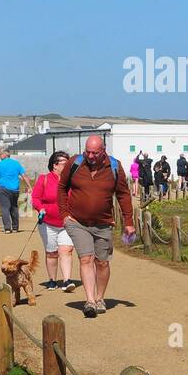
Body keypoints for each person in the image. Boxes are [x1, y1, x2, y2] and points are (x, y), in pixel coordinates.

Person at [57, 135, 134, 318]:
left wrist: (129, 222)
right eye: (87, 152)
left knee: (102, 262)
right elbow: (61, 187)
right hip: (77, 222)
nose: (90, 156)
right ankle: (90, 301)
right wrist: (64, 215)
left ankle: (100, 298)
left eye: (94, 153)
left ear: (104, 150)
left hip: (103, 223)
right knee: (86, 258)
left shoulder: (114, 166)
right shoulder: (75, 163)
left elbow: (123, 194)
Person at [30, 151, 76, 292]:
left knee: (66, 250)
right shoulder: (44, 179)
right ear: (55, 165)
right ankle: (52, 280)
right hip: (47, 223)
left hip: (67, 222)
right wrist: (40, 208)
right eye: (65, 163)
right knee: (51, 252)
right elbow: (35, 198)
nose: (68, 165)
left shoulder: (72, 181)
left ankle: (67, 280)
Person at [0, 147, 31, 233]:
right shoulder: (16, 164)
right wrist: (30, 187)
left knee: (5, 208)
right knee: (14, 208)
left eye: (0, 154)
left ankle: (7, 228)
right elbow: (24, 176)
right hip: (15, 190)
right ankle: (15, 227)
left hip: (3, 189)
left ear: (6, 154)